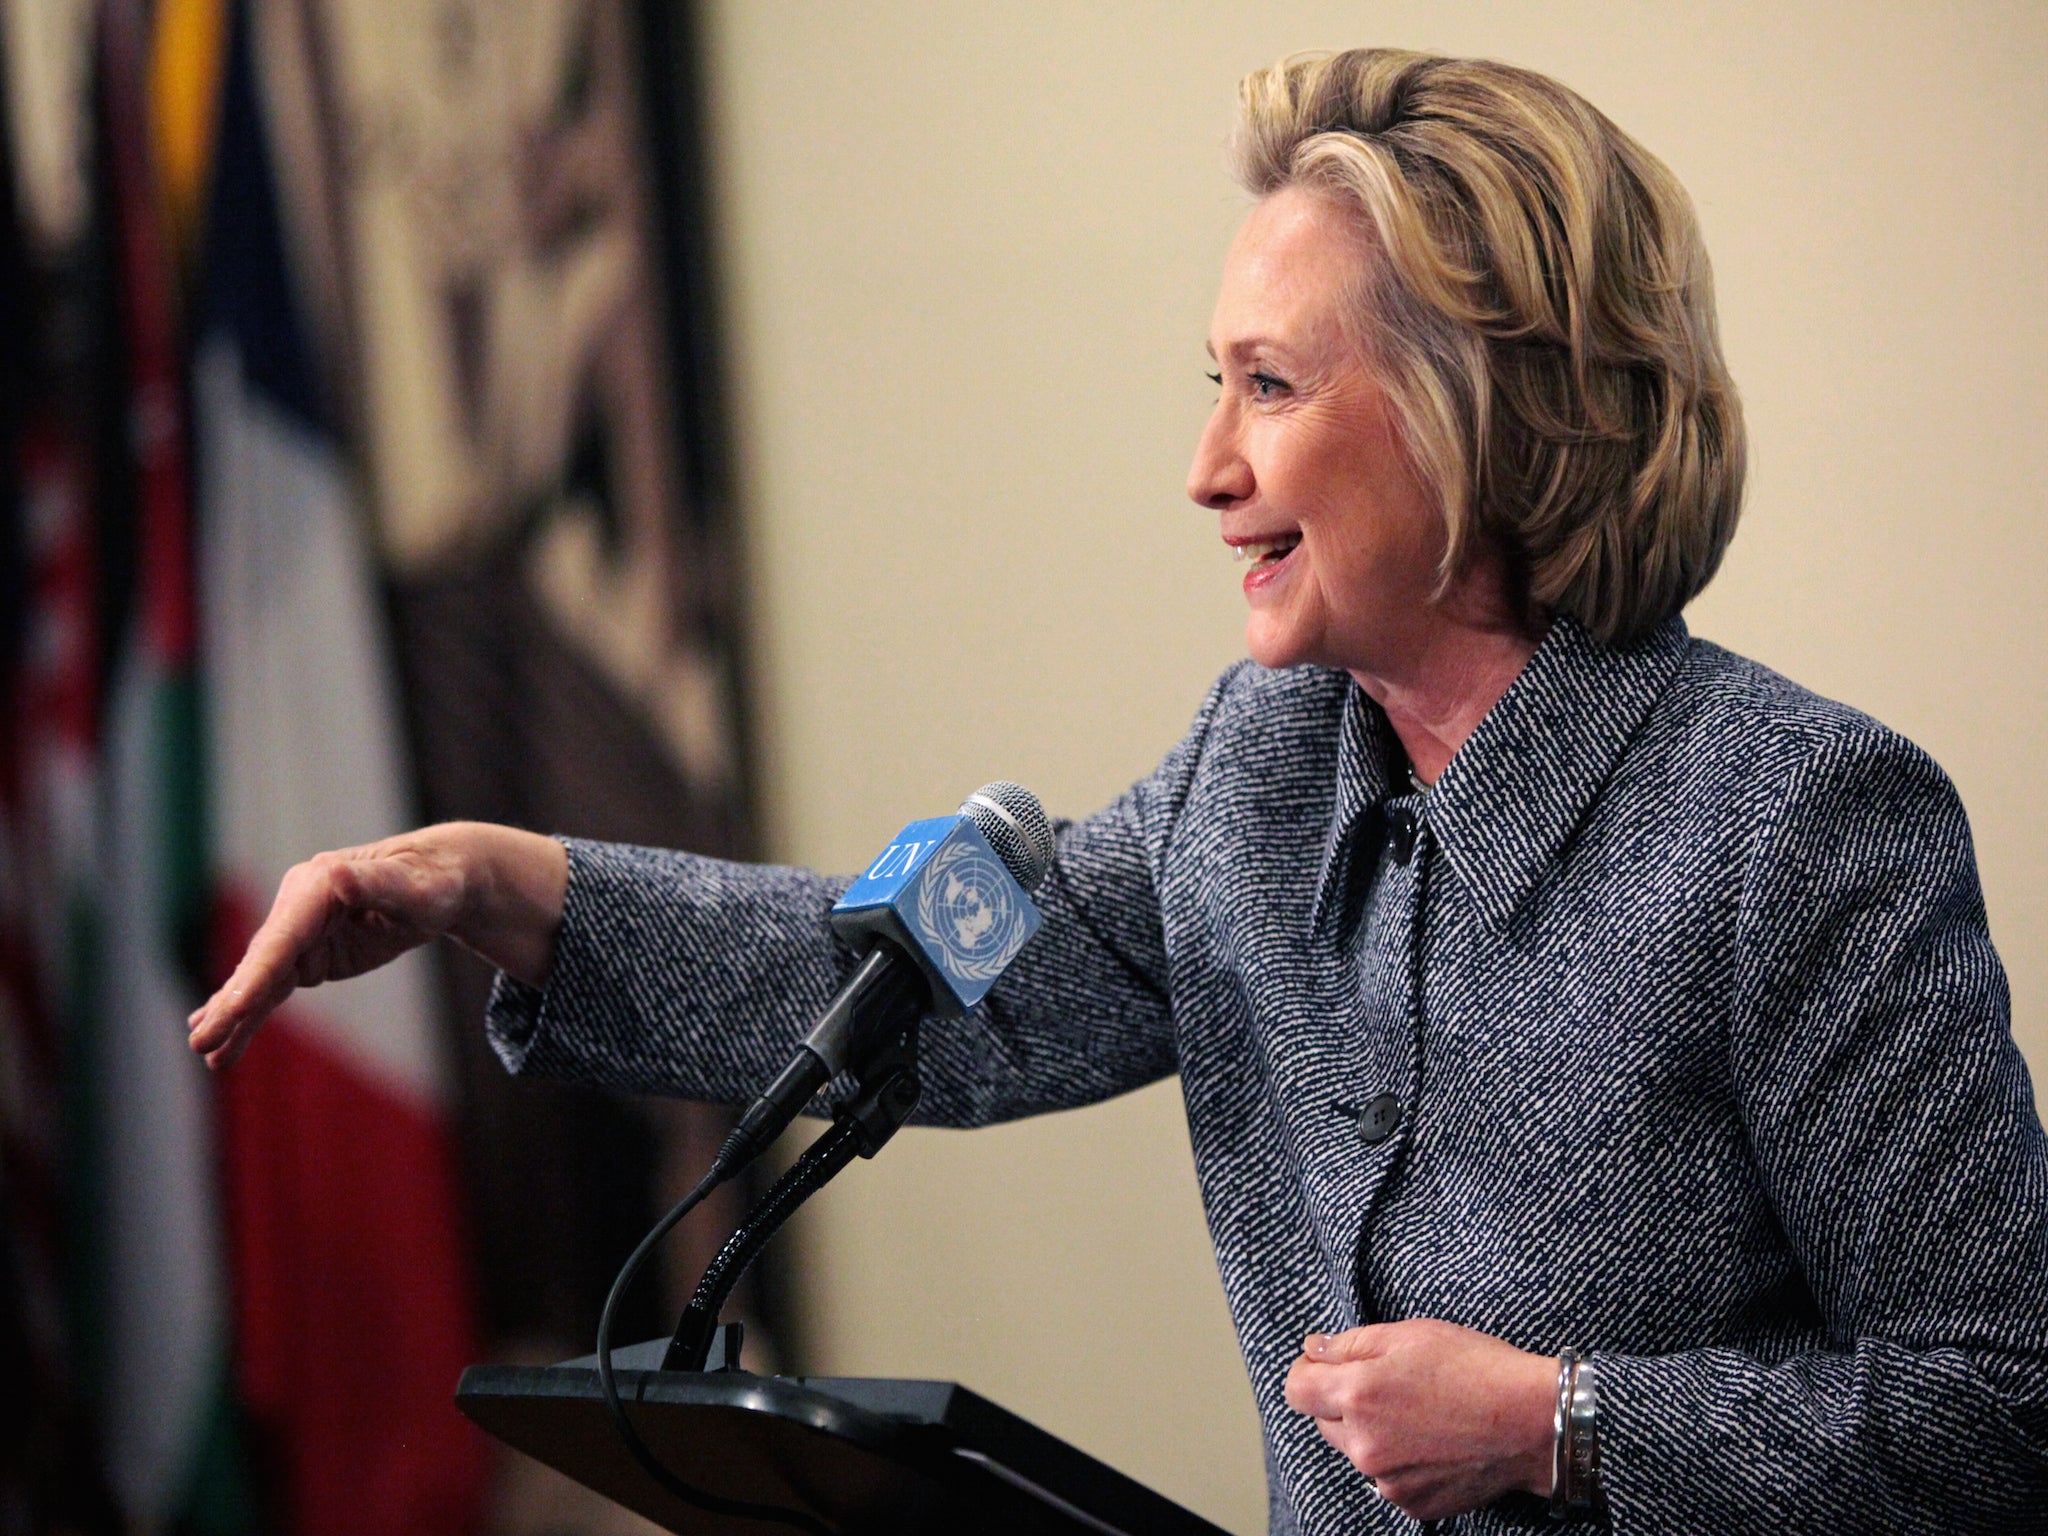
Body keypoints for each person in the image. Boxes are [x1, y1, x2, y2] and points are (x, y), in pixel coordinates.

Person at [188, 49, 2048, 1534]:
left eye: (1267, 384)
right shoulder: (1261, 779)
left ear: (1489, 407)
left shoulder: (1795, 822)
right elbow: (929, 988)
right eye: (1209, 383)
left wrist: (1565, 1424)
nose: (1205, 466)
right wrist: (507, 890)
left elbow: (2001, 1404)